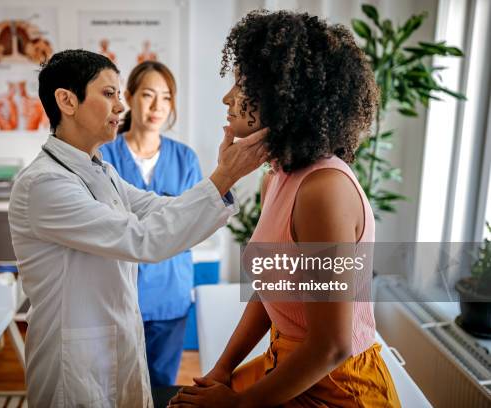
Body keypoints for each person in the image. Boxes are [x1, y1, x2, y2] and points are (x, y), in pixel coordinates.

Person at [8, 49, 268, 407]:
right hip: (76, 360)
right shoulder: (44, 185)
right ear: (67, 101)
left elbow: (158, 208)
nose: (120, 106)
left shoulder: (101, 171)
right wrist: (225, 175)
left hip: (117, 342)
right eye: (109, 93)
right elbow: (142, 239)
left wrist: (223, 178)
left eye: (119, 94)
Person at [169, 10, 401, 407]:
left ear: (283, 96)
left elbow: (332, 347)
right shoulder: (276, 176)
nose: (227, 98)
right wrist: (223, 368)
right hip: (288, 358)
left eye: (242, 85)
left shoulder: (324, 190)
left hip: (338, 385)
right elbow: (271, 290)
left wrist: (237, 404)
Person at [100, 61, 201, 387]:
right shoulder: (104, 155)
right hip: (116, 295)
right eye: (148, 95)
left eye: (167, 97)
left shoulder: (186, 158)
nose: (158, 106)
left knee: (160, 384)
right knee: (115, 384)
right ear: (128, 96)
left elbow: (194, 224)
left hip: (170, 293)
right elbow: (102, 224)